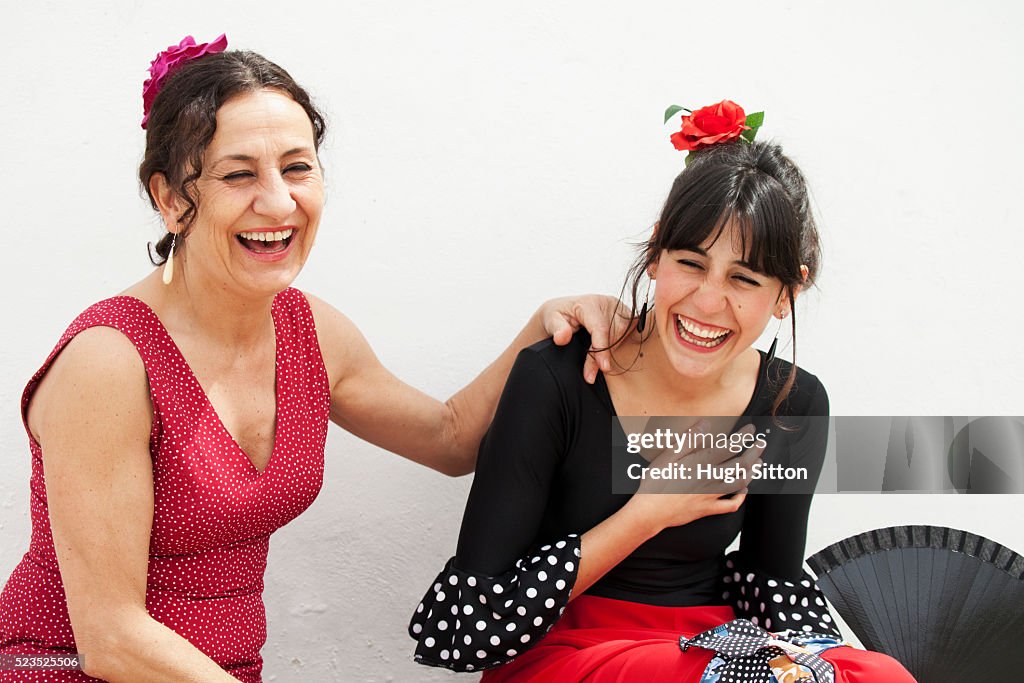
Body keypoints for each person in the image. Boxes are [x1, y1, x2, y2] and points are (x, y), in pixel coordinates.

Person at [0, 35, 620, 683]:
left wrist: (546, 318)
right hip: (64, 668)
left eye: (297, 167)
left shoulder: (313, 334)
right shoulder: (110, 363)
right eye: (238, 174)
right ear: (171, 198)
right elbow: (111, 637)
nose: (277, 202)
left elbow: (450, 438)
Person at [409, 109, 918, 681]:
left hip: (716, 648)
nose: (706, 301)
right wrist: (651, 510)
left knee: (880, 676)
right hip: (569, 649)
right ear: (656, 254)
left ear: (785, 295)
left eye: (744, 279)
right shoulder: (555, 377)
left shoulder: (791, 402)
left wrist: (812, 667)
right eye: (691, 264)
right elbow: (470, 629)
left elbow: (771, 580)